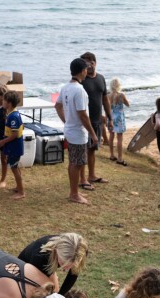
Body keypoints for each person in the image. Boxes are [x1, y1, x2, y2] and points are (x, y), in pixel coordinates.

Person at [55, 58, 98, 205]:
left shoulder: (66, 87)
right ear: (82, 71)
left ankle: (74, 192)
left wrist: (66, 120)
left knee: (74, 161)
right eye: (86, 69)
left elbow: (57, 106)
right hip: (77, 132)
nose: (87, 71)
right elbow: (83, 115)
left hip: (70, 129)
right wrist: (93, 133)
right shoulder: (79, 90)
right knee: (76, 163)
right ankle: (74, 194)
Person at [17, 233, 88, 296]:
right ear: (56, 250)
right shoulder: (41, 257)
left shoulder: (80, 251)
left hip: (47, 264)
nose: (66, 269)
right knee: (46, 293)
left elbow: (73, 274)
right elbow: (39, 288)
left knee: (55, 294)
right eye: (63, 263)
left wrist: (61, 296)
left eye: (71, 265)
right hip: (22, 272)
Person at [80, 52, 112, 189]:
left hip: (97, 121)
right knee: (82, 150)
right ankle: (82, 179)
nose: (89, 65)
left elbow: (105, 99)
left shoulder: (101, 78)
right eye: (85, 63)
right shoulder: (81, 80)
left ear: (95, 63)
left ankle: (91, 175)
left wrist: (109, 117)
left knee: (92, 149)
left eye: (91, 62)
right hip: (84, 122)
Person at [0, 91, 25, 200]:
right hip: (13, 146)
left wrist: (3, 142)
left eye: (4, 100)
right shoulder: (11, 114)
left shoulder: (13, 116)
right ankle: (19, 187)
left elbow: (15, 134)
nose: (2, 102)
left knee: (14, 168)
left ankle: (21, 192)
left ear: (9, 103)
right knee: (15, 166)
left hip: (15, 146)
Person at [109, 78, 130, 166]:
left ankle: (112, 155)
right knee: (119, 138)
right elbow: (128, 104)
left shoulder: (108, 95)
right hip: (119, 118)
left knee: (111, 135)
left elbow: (107, 106)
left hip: (111, 117)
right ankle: (120, 158)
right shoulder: (121, 95)